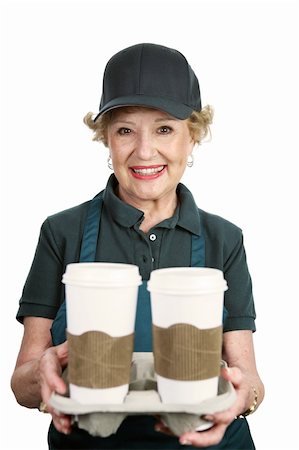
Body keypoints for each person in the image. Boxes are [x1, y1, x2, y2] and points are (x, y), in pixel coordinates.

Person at [11, 43, 264, 449]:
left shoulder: (224, 239)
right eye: (125, 130)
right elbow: (21, 384)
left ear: (192, 137)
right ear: (106, 140)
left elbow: (248, 378)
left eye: (165, 129)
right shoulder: (63, 231)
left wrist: (240, 398)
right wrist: (40, 376)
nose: (145, 151)